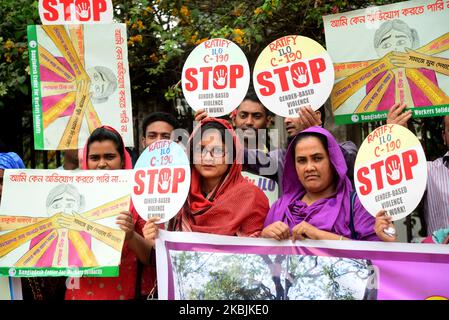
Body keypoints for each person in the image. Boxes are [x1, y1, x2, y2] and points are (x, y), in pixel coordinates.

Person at [65, 126, 156, 300]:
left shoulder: (140, 199)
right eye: (94, 158)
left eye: (109, 157)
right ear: (86, 161)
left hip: (125, 293)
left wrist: (131, 236)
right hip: (78, 293)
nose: (101, 164)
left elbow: (151, 257)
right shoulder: (69, 198)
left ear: (122, 160)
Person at [261, 126, 394, 242]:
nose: (309, 167)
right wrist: (265, 238)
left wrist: (319, 236)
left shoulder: (358, 206)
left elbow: (375, 259)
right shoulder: (280, 207)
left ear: (333, 160)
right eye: (301, 160)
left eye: (317, 158)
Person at [144, 118, 269, 240]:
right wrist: (156, 237)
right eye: (200, 149)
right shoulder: (179, 194)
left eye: (218, 150)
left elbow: (258, 251)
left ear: (233, 155)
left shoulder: (251, 197)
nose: (208, 158)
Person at [387, 103, 449, 236]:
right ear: (444, 137)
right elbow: (398, 176)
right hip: (439, 255)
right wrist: (395, 134)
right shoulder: (429, 171)